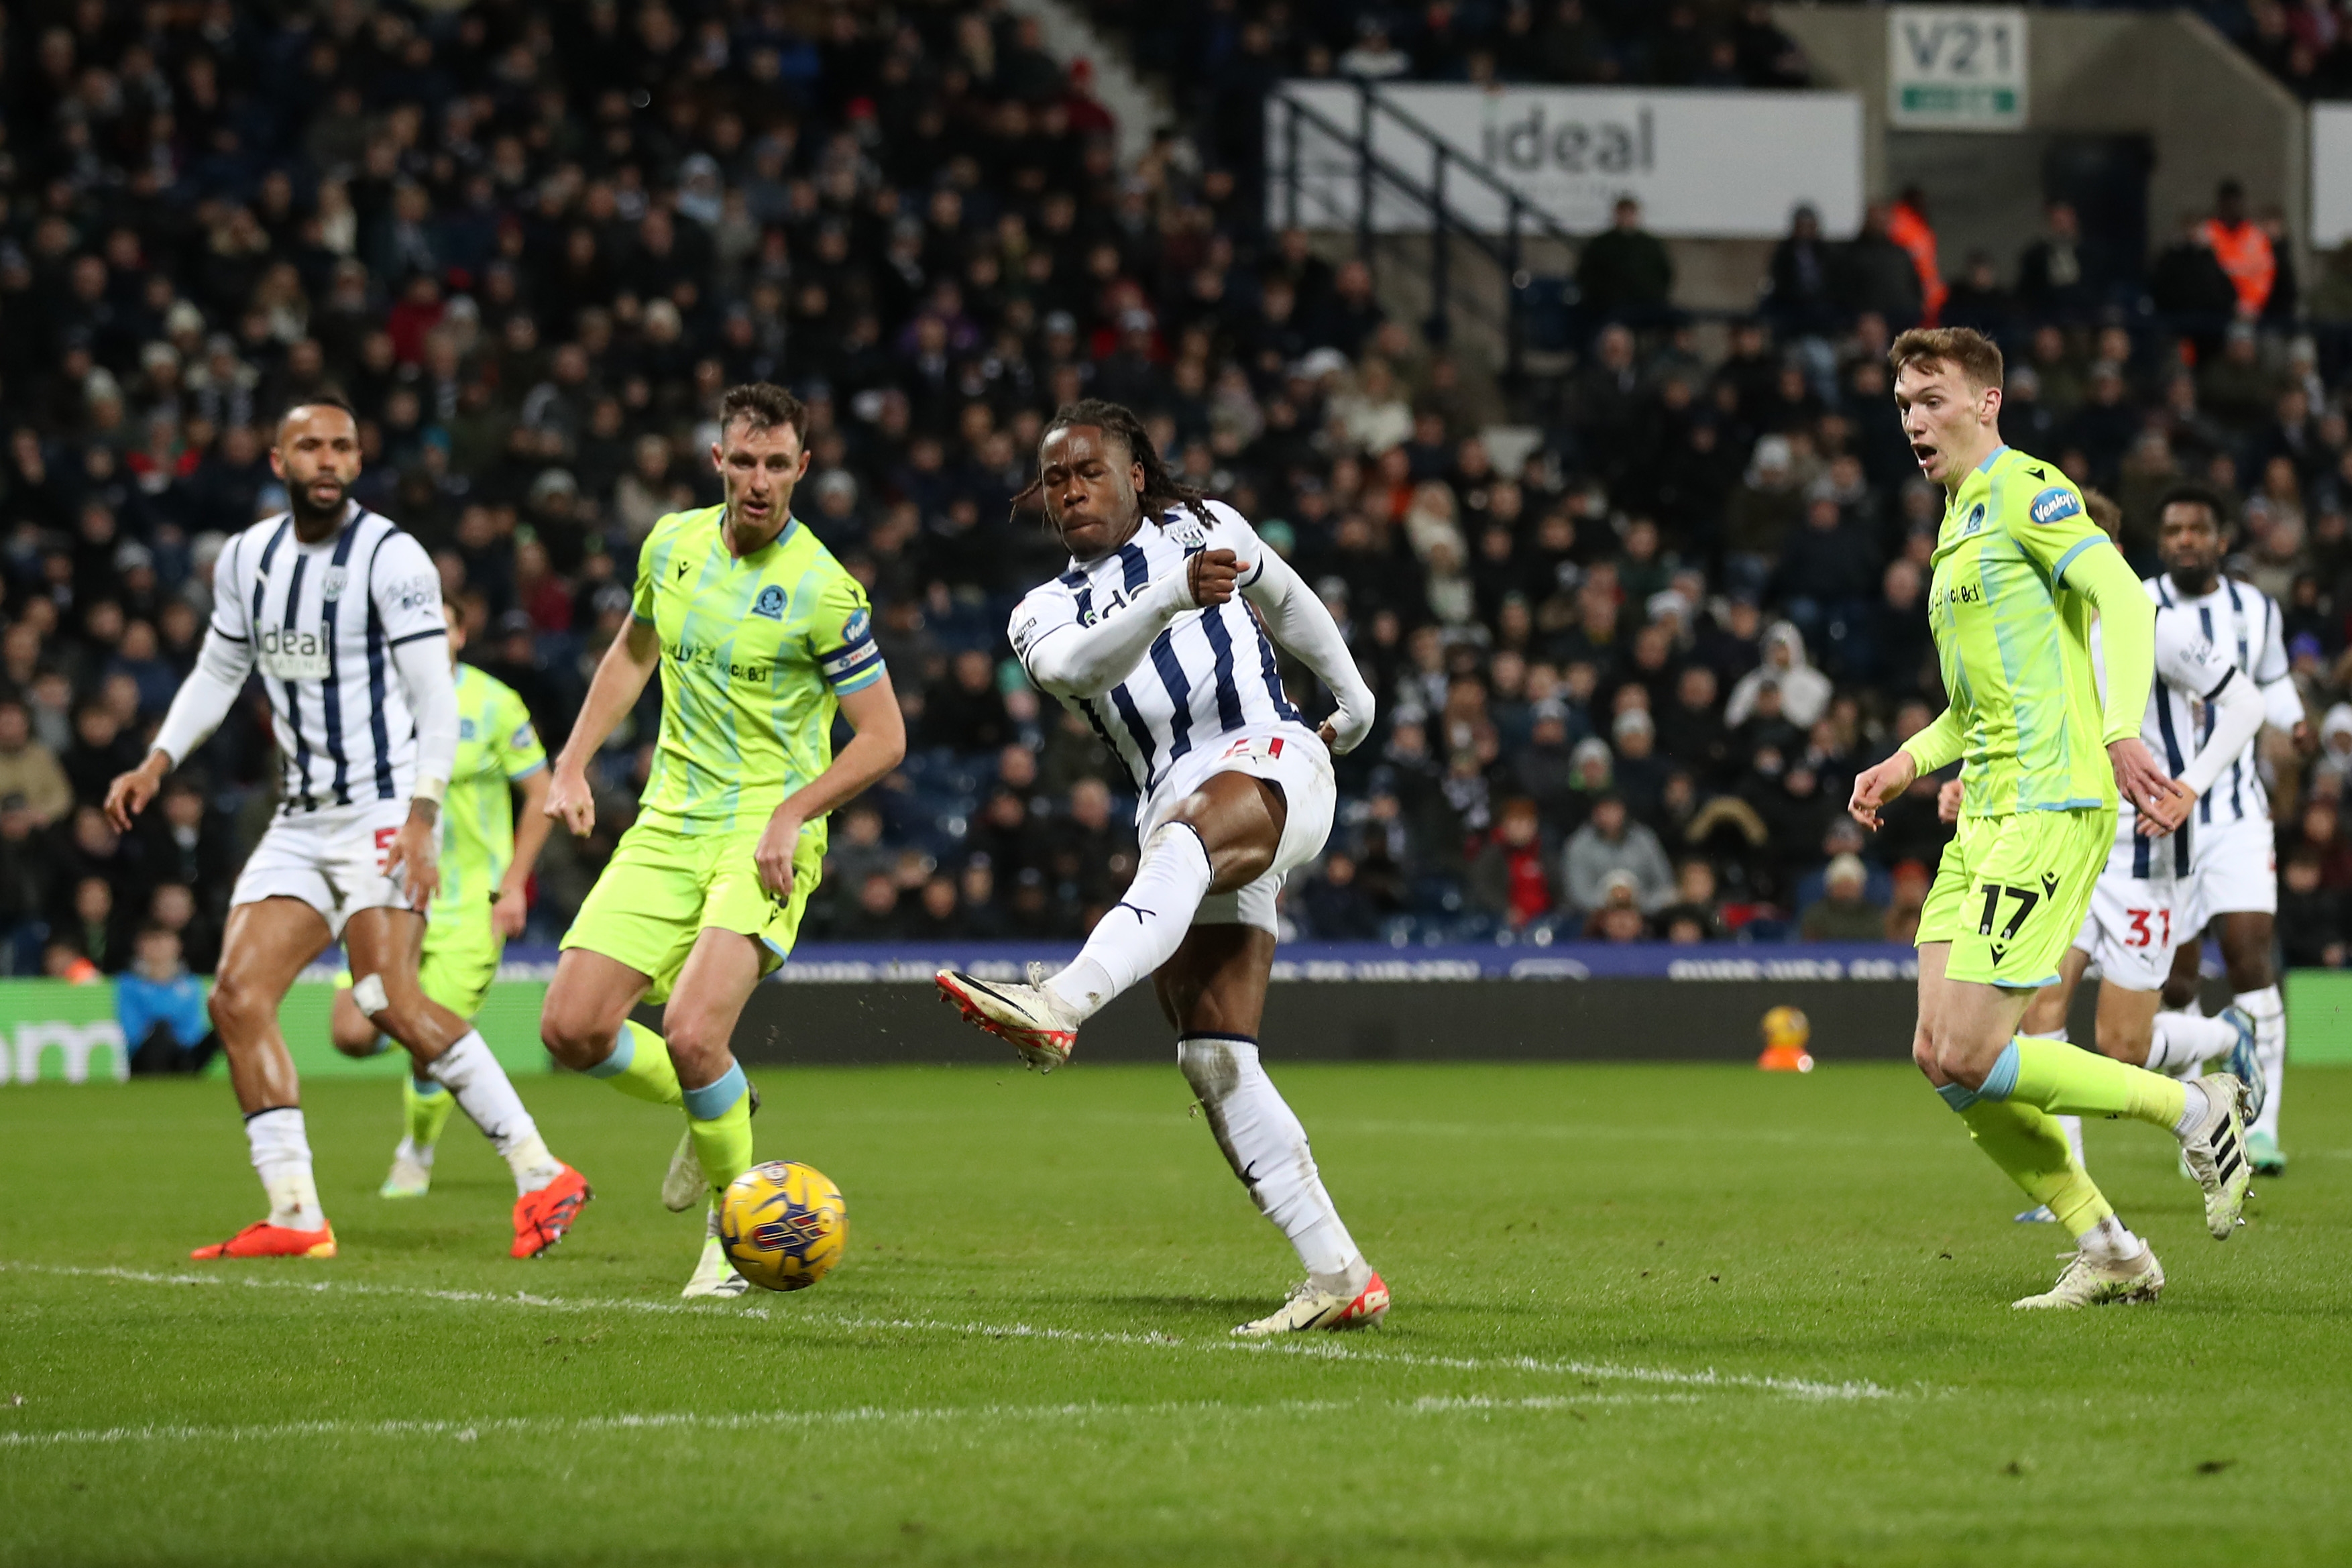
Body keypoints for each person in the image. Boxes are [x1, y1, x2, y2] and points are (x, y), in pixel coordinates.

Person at [934, 398, 1386, 1337]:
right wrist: (1171, 594)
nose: (1068, 491)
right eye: (1055, 478)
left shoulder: (1207, 523)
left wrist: (1352, 696)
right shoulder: (1041, 609)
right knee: (1214, 1054)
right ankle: (1337, 1272)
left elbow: (1288, 599)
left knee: (1184, 833)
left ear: (1134, 471)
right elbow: (1072, 672)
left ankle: (1058, 1004)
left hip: (1271, 759)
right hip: (1176, 811)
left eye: (1086, 470)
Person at [103, 399, 588, 1262]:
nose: (326, 460)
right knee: (238, 997)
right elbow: (219, 670)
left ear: (358, 462)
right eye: (309, 446)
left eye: (341, 447)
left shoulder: (392, 556)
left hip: (382, 806)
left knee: (383, 1000)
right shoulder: (248, 559)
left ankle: (539, 1169)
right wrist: (156, 761)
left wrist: (423, 816)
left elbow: (435, 696)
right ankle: (295, 1211)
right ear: (277, 457)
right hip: (302, 818)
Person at [1846, 327, 2256, 1311]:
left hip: (2046, 804)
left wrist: (2119, 730)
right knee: (1937, 1060)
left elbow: (2121, 593)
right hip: (1978, 811)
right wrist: (1906, 761)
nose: (1912, 420)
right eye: (1902, 403)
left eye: (1930, 398)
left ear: (1985, 401)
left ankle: (2193, 1101)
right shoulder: (1952, 526)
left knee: (1978, 1050)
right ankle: (2107, 1246)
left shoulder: (2029, 490)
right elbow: (1973, 704)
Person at [537, 383, 906, 1299]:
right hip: (668, 818)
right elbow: (632, 651)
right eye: (743, 461)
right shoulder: (670, 544)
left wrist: (792, 813)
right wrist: (574, 761)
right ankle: (726, 1103)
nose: (758, 480)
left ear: (802, 469)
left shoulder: (823, 589)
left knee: (693, 1032)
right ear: (716, 462)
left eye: (777, 463)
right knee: (571, 1028)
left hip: (762, 830)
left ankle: (732, 1230)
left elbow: (885, 737)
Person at [1936, 488, 2269, 1223]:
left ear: (2108, 555)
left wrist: (2187, 787)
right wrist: (1967, 780)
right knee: (2037, 1010)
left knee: (2122, 1043)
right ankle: (2069, 1185)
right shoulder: (2033, 630)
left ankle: (2222, 1038)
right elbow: (2008, 724)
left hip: (2144, 858)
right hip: (2063, 844)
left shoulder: (2152, 623)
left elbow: (2247, 703)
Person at [327, 603, 553, 1199]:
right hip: (389, 895)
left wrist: (513, 882)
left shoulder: (495, 703)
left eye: (441, 627)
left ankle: (417, 1153)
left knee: (430, 1039)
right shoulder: (373, 703)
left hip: (466, 909)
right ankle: (417, 1048)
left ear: (460, 633)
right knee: (350, 1033)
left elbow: (541, 793)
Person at [2147, 483, 2308, 1174]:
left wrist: (2295, 720)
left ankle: (2263, 1129)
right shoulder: (2136, 602)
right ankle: (2202, 1120)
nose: (2185, 539)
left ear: (2221, 538)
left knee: (2249, 957)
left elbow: (2270, 684)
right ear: (2161, 541)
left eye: (2198, 528)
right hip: (2159, 817)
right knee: (2176, 981)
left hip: (2237, 814)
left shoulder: (2255, 608)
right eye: (2174, 529)